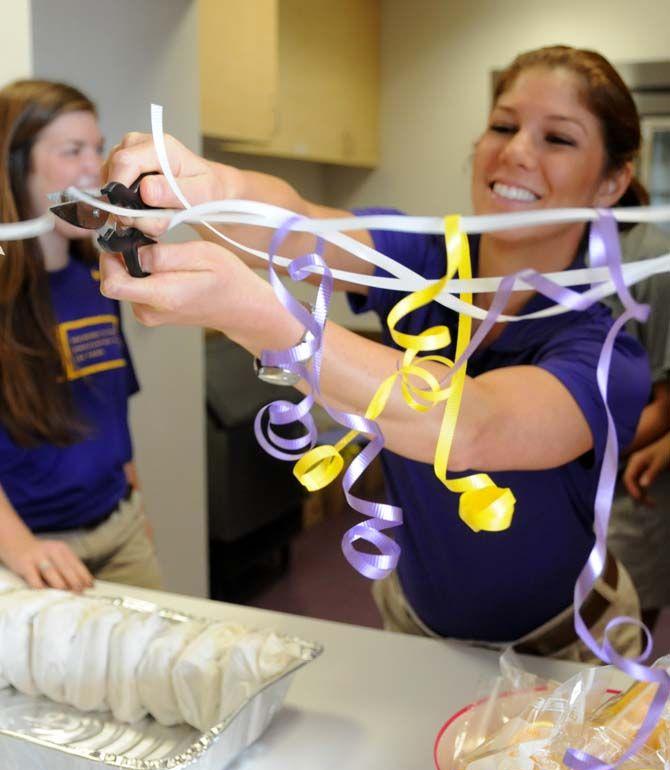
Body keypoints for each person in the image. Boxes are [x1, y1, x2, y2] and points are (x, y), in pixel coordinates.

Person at [98, 45, 654, 660]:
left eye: (558, 139)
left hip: (565, 651)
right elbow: (300, 225)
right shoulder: (422, 258)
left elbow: (471, 427)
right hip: (416, 628)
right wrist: (201, 185)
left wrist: (260, 319)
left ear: (612, 181)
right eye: (503, 125)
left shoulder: (607, 353)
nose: (517, 150)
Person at [0, 79, 161, 591]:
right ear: (16, 165)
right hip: (31, 553)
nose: (96, 167)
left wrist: (134, 508)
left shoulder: (101, 278)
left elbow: (112, 407)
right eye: (73, 151)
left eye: (98, 147)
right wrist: (21, 548)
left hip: (121, 530)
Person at [604, 221, 670, 631]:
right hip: (550, 491)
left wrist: (562, 449)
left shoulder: (650, 260)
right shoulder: (547, 250)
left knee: (616, 650)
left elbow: (666, 406)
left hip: (626, 493)